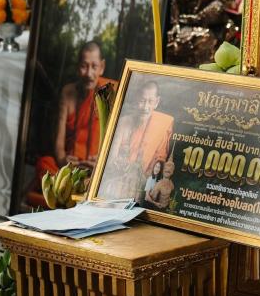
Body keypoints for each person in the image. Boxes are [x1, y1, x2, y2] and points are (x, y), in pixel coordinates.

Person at [36, 41, 113, 181]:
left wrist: (102, 161)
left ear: (102, 68)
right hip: (71, 166)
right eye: (84, 66)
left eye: (94, 67)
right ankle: (78, 185)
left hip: (95, 168)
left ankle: (75, 186)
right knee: (44, 164)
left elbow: (115, 139)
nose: (89, 74)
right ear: (78, 67)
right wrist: (63, 161)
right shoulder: (67, 92)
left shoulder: (109, 92)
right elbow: (59, 143)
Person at [100, 78, 174, 199]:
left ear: (157, 102)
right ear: (135, 100)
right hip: (117, 182)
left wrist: (144, 178)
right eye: (142, 101)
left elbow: (159, 161)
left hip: (142, 184)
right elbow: (111, 160)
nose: (145, 107)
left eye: (150, 101)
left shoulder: (163, 124)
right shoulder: (123, 123)